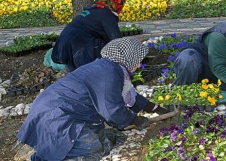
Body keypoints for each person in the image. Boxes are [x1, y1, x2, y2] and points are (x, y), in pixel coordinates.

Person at [17, 37, 168, 160]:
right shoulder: (109, 73)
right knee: (92, 147)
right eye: (137, 60)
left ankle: (46, 154)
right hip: (55, 117)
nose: (138, 64)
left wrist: (157, 109)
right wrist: (133, 120)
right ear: (127, 57)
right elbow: (112, 110)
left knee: (98, 136)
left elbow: (130, 96)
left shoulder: (110, 68)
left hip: (54, 111)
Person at [51, 0, 126, 71]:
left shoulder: (92, 11)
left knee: (76, 77)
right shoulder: (105, 13)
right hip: (79, 45)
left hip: (63, 46)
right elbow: (116, 39)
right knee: (87, 75)